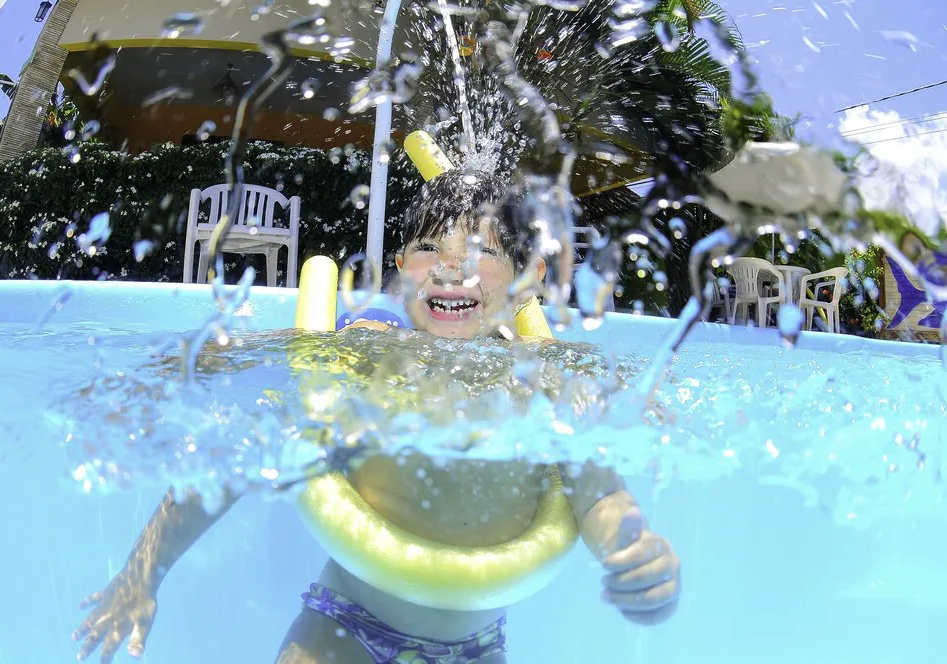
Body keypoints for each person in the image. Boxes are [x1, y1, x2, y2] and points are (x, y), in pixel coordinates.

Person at [73, 170, 681, 664]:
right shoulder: (365, 355)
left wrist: (636, 550)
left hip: (476, 647)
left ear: (528, 280)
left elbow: (598, 492)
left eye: (482, 252)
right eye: (428, 249)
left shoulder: (546, 379)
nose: (450, 268)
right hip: (346, 629)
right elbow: (239, 450)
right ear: (400, 268)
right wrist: (142, 573)